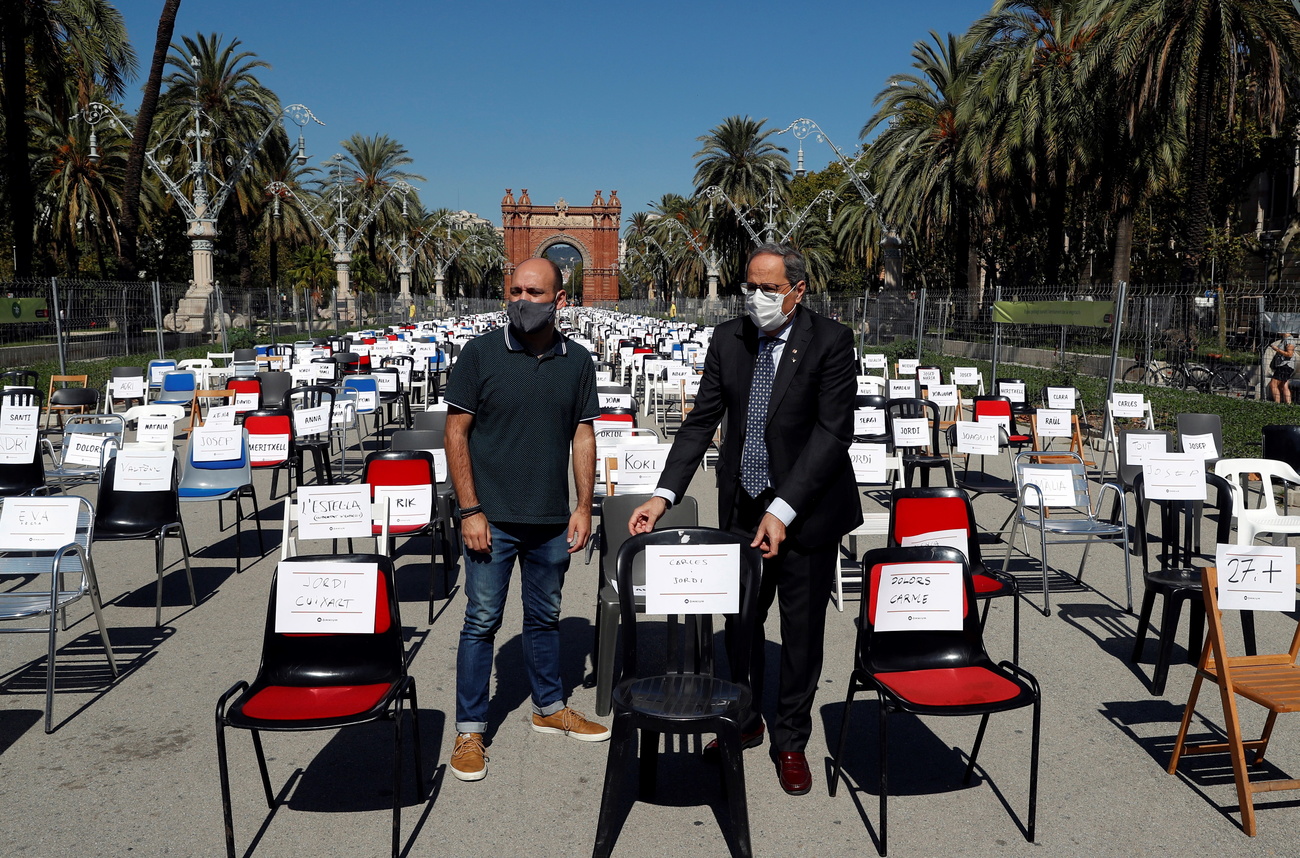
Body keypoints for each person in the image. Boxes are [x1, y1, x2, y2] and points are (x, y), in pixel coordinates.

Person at [628, 243, 861, 796]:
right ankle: (746, 716)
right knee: (741, 622)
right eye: (749, 286)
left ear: (797, 291)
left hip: (805, 512)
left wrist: (783, 509)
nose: (756, 298)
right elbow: (700, 421)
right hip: (742, 506)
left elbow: (832, 435)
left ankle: (791, 740)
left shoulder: (830, 341)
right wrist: (663, 496)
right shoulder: (728, 339)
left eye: (768, 288)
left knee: (801, 633)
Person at [443, 256, 608, 783]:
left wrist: (583, 506)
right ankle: (470, 730)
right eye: (514, 290)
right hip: (489, 519)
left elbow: (583, 435)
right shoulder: (480, 354)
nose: (521, 300)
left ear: (559, 300)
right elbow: (456, 433)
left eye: (533, 292)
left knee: (545, 618)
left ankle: (549, 706)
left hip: (550, 520)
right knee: (481, 620)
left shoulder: (577, 362)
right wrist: (470, 509)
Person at [1269, 331, 1296, 404]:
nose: (1277, 331)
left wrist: (1277, 349)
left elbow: (1289, 354)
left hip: (1285, 365)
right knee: (1284, 385)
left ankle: (1277, 404)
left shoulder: (1289, 340)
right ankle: (1288, 404)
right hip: (1284, 365)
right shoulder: (1285, 339)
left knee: (1273, 384)